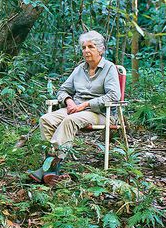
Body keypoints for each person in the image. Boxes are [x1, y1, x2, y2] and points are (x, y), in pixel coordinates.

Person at [29, 31, 122, 184]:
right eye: (84, 47)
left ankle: (49, 167)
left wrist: (85, 104)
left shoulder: (109, 68)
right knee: (46, 119)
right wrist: (68, 101)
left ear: (101, 49)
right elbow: (63, 89)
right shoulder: (80, 69)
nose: (86, 50)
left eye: (91, 47)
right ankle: (53, 167)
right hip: (75, 108)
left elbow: (114, 96)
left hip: (99, 112)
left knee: (70, 120)